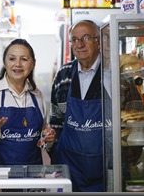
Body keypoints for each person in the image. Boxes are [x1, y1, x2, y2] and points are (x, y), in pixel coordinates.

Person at [49, 20, 107, 192]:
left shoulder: (115, 74)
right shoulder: (63, 75)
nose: (79, 44)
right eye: (74, 39)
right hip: (70, 169)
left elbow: (133, 118)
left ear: (99, 42)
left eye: (86, 38)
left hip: (106, 169)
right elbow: (57, 119)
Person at [0, 38, 56, 165]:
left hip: (31, 177)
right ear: (4, 61)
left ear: (33, 64)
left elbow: (42, 137)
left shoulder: (37, 95)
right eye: (12, 59)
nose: (18, 64)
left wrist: (49, 138)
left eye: (24, 59)